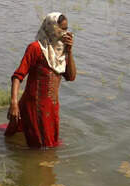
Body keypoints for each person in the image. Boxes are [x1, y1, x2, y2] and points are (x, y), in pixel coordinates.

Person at [4, 12, 77, 148]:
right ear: (52, 28)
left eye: (67, 29)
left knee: (49, 146)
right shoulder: (36, 48)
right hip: (35, 107)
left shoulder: (61, 52)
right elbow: (17, 76)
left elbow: (71, 77)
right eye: (62, 29)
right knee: (40, 150)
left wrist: (70, 51)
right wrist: (14, 103)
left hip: (52, 107)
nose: (65, 33)